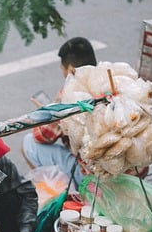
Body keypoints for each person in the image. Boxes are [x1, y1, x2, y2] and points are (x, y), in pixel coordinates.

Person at [21, 37, 97, 187]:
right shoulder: (108, 80)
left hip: (91, 176)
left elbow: (42, 136)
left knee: (28, 143)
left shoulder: (69, 96)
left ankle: (63, 192)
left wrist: (46, 113)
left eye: (62, 69)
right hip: (124, 171)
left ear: (70, 69)